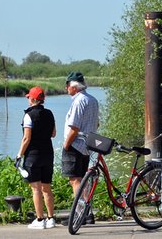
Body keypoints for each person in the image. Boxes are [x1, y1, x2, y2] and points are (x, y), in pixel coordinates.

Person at [16, 86, 57, 229]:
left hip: (33, 156)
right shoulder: (50, 113)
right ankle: (51, 219)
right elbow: (53, 134)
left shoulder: (28, 115)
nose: (28, 99)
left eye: (29, 98)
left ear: (33, 99)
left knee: (36, 189)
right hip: (48, 154)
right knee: (47, 188)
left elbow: (26, 138)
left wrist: (19, 155)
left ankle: (40, 220)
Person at [61, 71, 100, 196]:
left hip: (75, 144)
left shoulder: (78, 101)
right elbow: (97, 123)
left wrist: (66, 145)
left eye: (67, 85)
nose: (66, 88)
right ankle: (86, 211)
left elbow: (74, 127)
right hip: (87, 145)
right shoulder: (92, 100)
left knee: (75, 180)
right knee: (83, 179)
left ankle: (79, 211)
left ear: (74, 87)